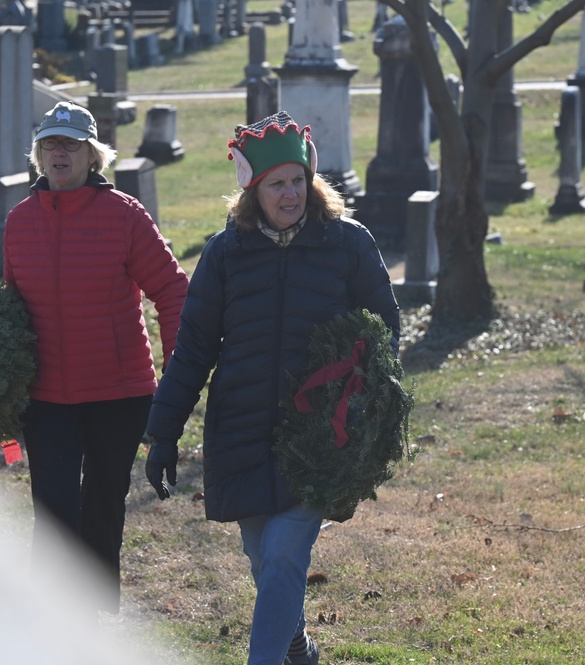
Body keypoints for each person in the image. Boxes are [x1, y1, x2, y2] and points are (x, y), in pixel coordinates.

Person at [144, 111, 401, 665]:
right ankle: (294, 644)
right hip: (240, 429)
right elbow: (192, 351)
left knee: (285, 555)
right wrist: (163, 434)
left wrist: (360, 406)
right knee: (264, 559)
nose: (290, 194)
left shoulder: (347, 244)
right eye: (276, 183)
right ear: (252, 190)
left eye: (298, 181)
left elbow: (385, 332)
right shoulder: (225, 254)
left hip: (316, 433)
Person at [3, 101, 188, 613]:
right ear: (38, 155)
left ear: (92, 155)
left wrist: (176, 372)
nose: (59, 153)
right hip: (47, 398)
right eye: (50, 144)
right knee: (53, 510)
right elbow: (9, 310)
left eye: (71, 144)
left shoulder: (125, 216)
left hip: (119, 393)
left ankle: (95, 620)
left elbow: (173, 291)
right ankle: (50, 620)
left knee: (103, 506)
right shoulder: (19, 222)